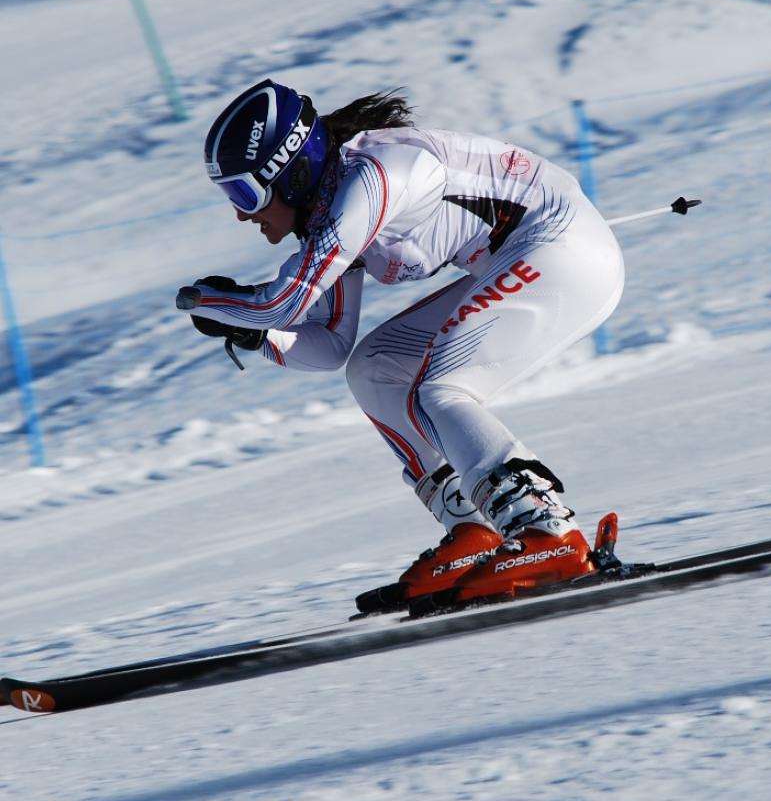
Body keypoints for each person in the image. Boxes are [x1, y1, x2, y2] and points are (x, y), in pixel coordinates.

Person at [177, 78, 625, 614]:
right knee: (375, 368)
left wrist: (207, 301)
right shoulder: (329, 211)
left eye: (246, 194)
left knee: (442, 387)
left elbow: (284, 302)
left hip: (566, 251)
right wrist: (252, 332)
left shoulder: (374, 178)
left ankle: (547, 529)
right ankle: (475, 530)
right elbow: (329, 346)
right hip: (527, 259)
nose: (241, 214)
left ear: (292, 173)